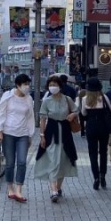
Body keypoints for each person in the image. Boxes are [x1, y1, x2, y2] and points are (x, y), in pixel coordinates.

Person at [34, 74, 79, 203]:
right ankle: (53, 190)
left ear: (60, 86)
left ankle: (58, 188)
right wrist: (42, 136)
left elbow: (77, 110)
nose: (52, 87)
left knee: (63, 160)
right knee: (53, 160)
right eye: (50, 85)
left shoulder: (67, 99)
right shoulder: (46, 101)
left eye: (55, 85)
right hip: (51, 132)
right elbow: (42, 119)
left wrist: (72, 115)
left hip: (65, 132)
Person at [0, 73, 35, 203]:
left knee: (22, 162)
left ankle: (19, 190)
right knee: (10, 163)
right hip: (8, 132)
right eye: (25, 84)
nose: (27, 87)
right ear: (18, 85)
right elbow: (0, 113)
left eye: (28, 84)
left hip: (23, 133)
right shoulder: (8, 96)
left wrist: (30, 134)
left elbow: (30, 117)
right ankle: (10, 188)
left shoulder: (29, 99)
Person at [82, 77, 111, 190]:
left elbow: (83, 113)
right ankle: (103, 176)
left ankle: (95, 177)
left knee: (92, 153)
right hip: (103, 127)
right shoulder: (104, 97)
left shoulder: (85, 99)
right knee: (103, 152)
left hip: (91, 127)